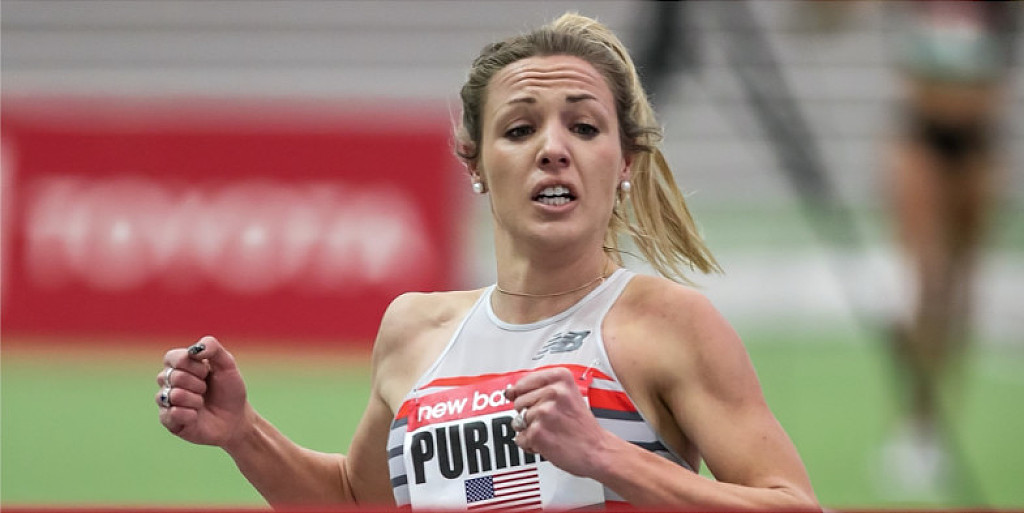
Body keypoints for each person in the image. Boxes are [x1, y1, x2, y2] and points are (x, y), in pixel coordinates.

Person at [155, 13, 818, 511]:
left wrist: (605, 455)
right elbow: (357, 501)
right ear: (474, 162)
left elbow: (793, 504)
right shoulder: (415, 329)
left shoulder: (667, 322)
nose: (553, 149)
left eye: (584, 127)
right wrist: (245, 433)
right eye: (520, 129)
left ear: (624, 163)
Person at [881, 0, 1017, 499]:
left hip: (981, 143)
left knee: (960, 293)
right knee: (930, 281)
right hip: (921, 139)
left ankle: (936, 424)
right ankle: (915, 422)